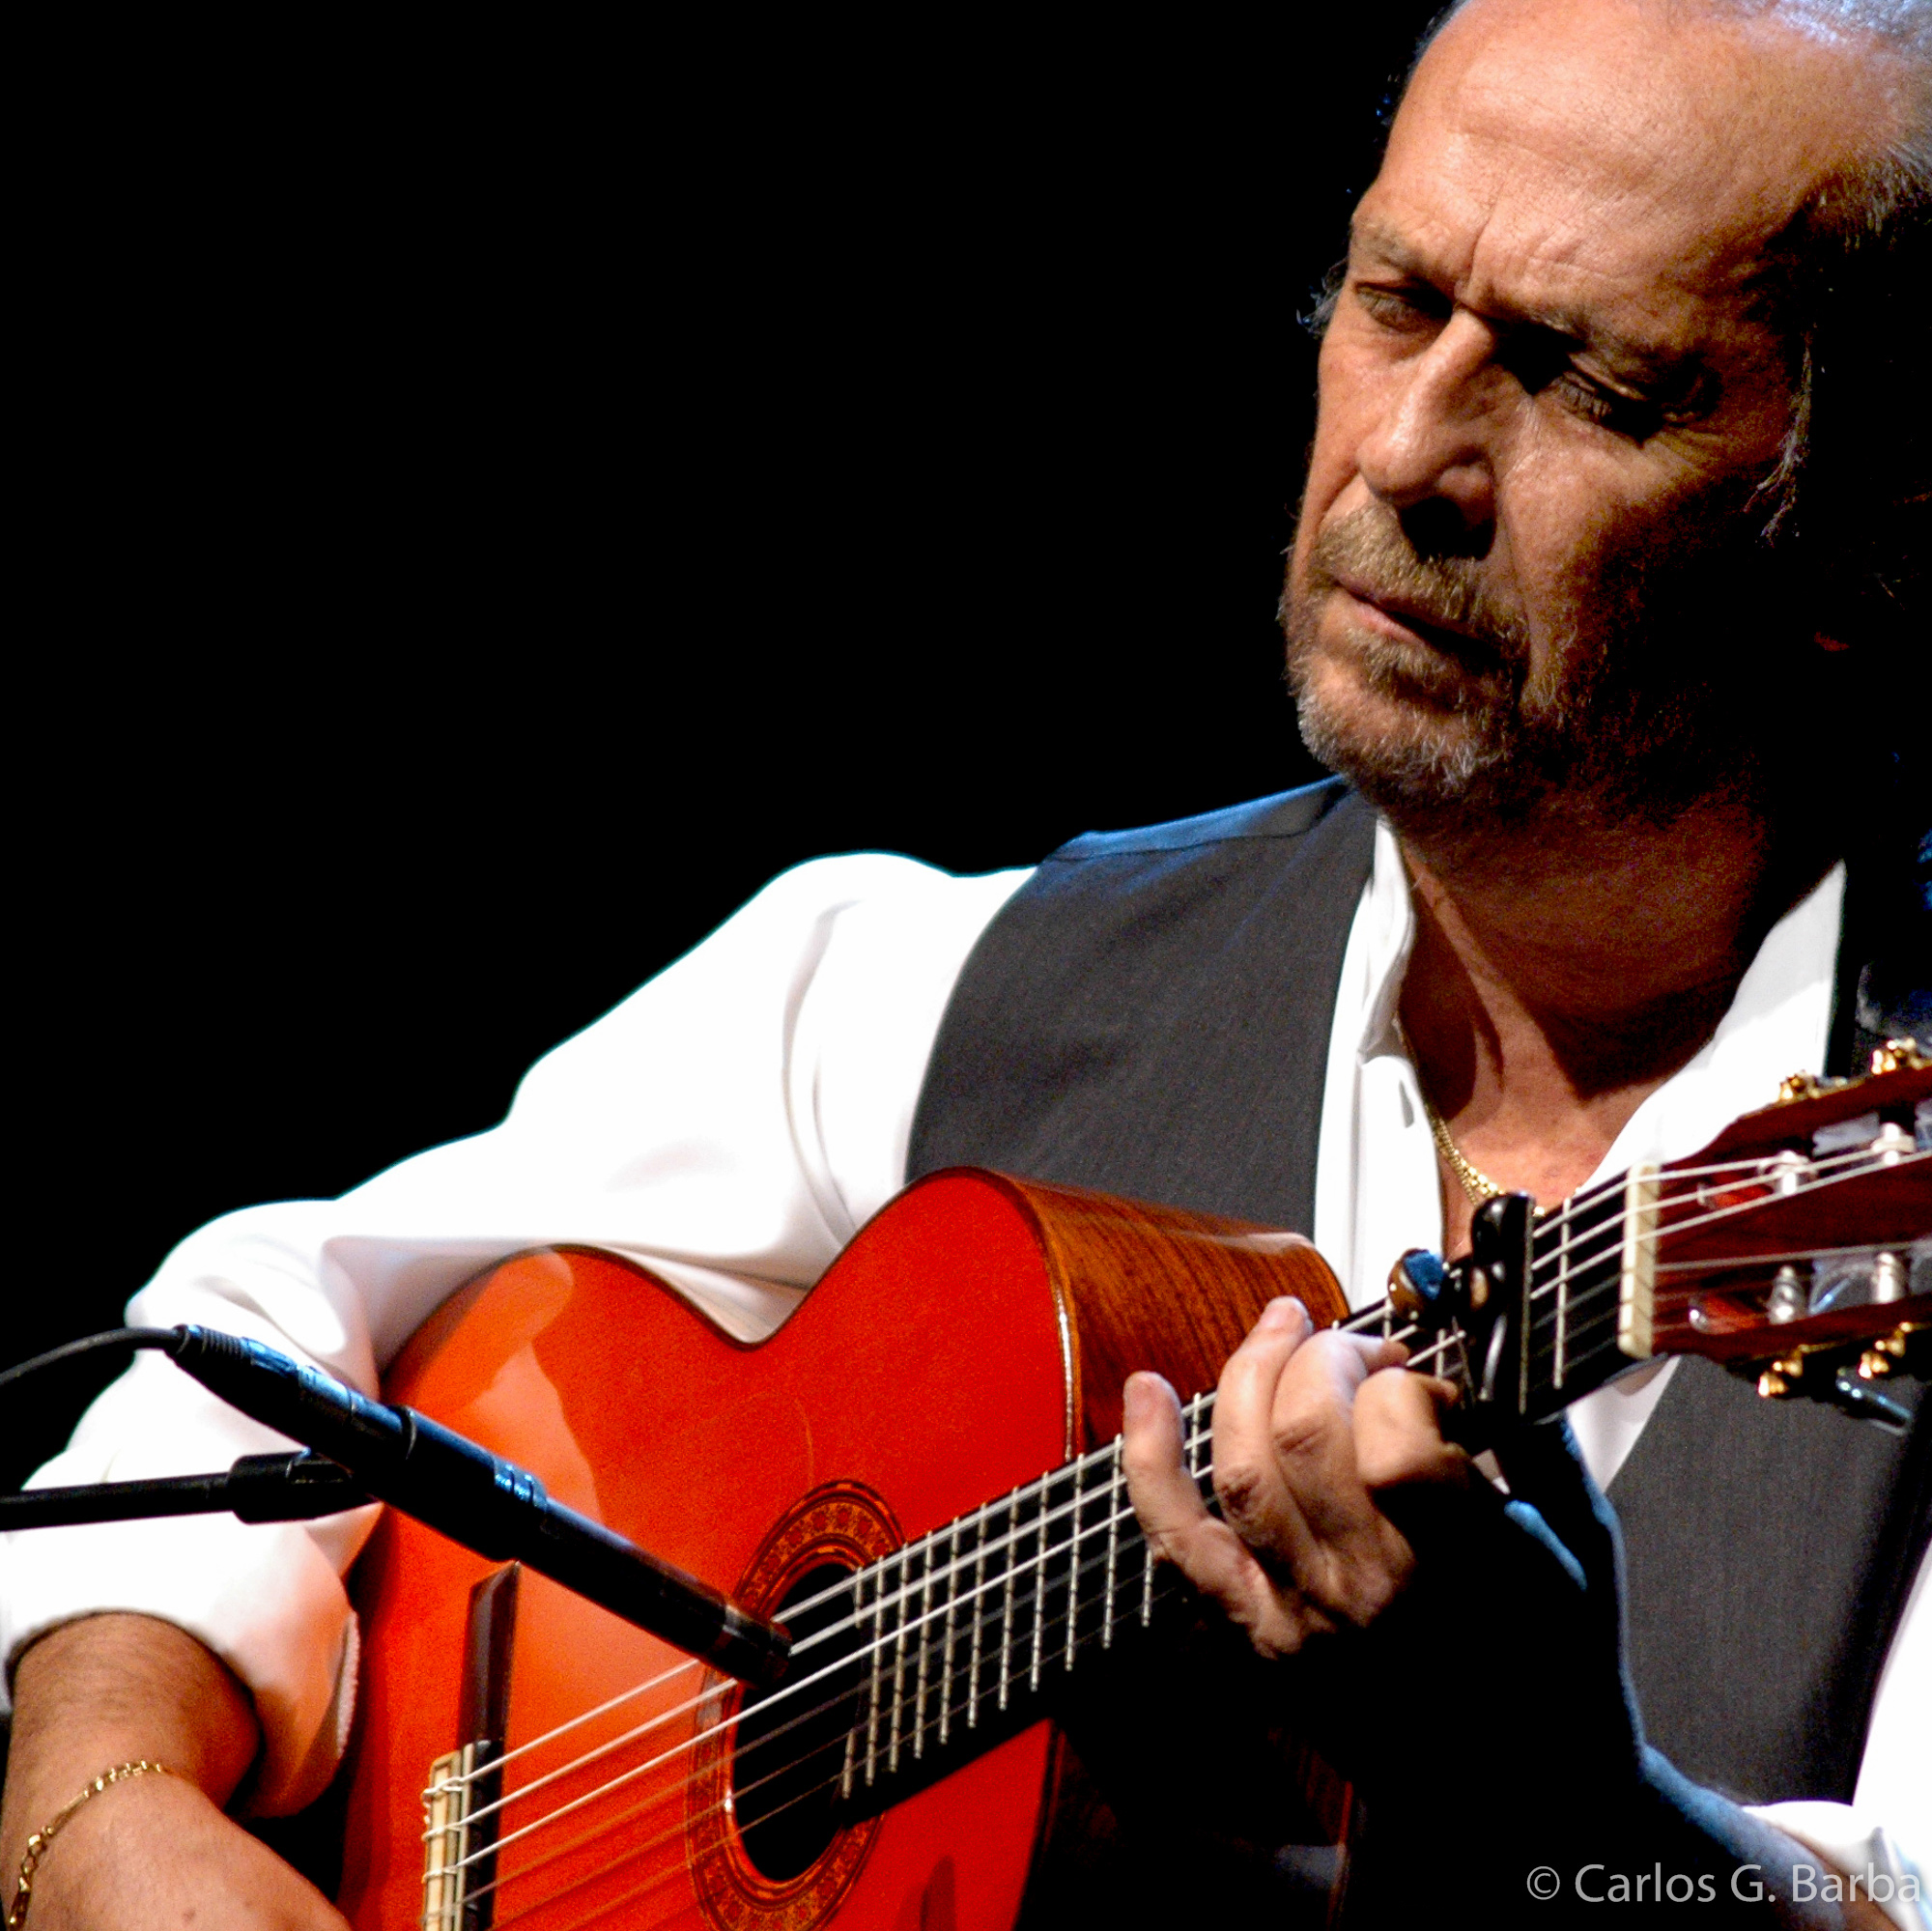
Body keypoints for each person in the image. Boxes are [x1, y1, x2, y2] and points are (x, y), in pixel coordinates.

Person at [2, 0, 1926, 1924]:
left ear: (1873, 532)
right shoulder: (949, 988)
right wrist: (110, 1802)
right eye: (1395, 301)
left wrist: (1566, 1808)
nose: (1409, 450)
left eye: (1588, 382)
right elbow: (259, 1345)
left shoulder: (1866, 1187)